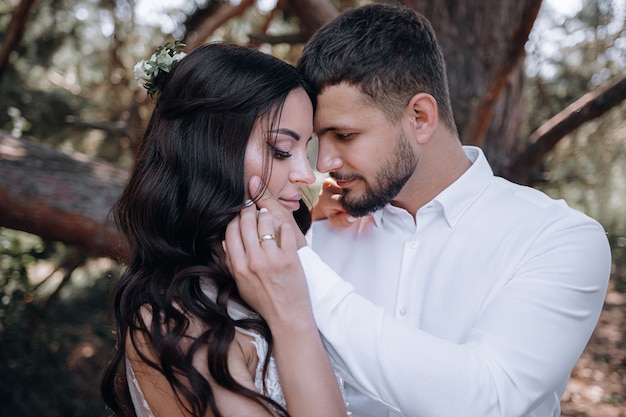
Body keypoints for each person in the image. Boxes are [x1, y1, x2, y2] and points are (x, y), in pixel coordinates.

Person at [224, 3, 612, 417]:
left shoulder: (557, 237)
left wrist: (300, 271)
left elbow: (491, 400)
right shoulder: (318, 230)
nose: (324, 164)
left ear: (420, 117)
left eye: (345, 135)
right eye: (321, 139)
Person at [100, 42, 347, 417]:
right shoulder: (172, 322)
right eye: (282, 149)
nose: (307, 174)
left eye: (305, 150)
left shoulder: (273, 265)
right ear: (209, 151)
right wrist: (291, 313)